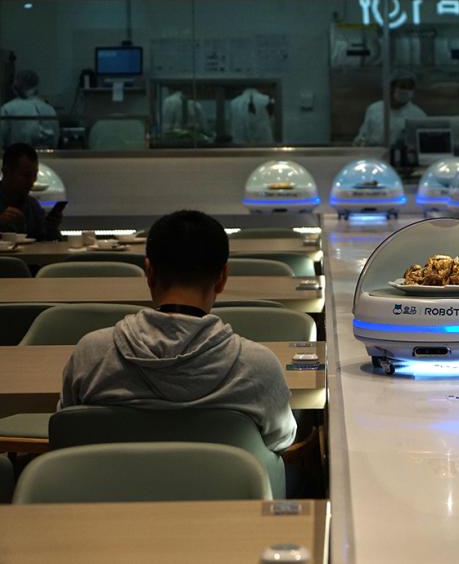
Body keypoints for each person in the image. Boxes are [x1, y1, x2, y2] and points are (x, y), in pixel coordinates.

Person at [59, 210, 297, 452]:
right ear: (222, 278)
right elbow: (280, 439)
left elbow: (70, 426)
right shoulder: (258, 367)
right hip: (226, 478)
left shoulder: (91, 355)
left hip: (110, 477)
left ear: (149, 273)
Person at [0, 143, 61, 240]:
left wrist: (51, 228)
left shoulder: (32, 206)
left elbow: (48, 243)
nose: (32, 181)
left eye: (34, 175)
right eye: (26, 175)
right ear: (6, 171)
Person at [353, 71, 426, 147]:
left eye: (410, 88)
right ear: (391, 88)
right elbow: (363, 135)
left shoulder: (418, 114)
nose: (406, 90)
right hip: (375, 151)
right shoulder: (374, 109)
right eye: (403, 86)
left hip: (402, 152)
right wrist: (360, 142)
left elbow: (422, 143)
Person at [0, 70, 59, 150]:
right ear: (36, 86)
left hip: (17, 155)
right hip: (45, 155)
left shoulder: (7, 109)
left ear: (15, 87)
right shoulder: (49, 109)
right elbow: (55, 139)